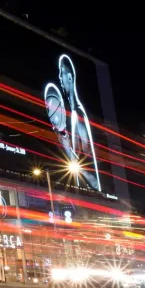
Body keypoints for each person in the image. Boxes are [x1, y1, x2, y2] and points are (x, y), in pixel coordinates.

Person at [44, 54, 101, 191]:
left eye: (61, 73)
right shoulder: (74, 113)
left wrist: (64, 139)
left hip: (89, 188)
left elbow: (84, 159)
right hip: (85, 188)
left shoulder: (77, 115)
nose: (59, 77)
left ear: (69, 76)